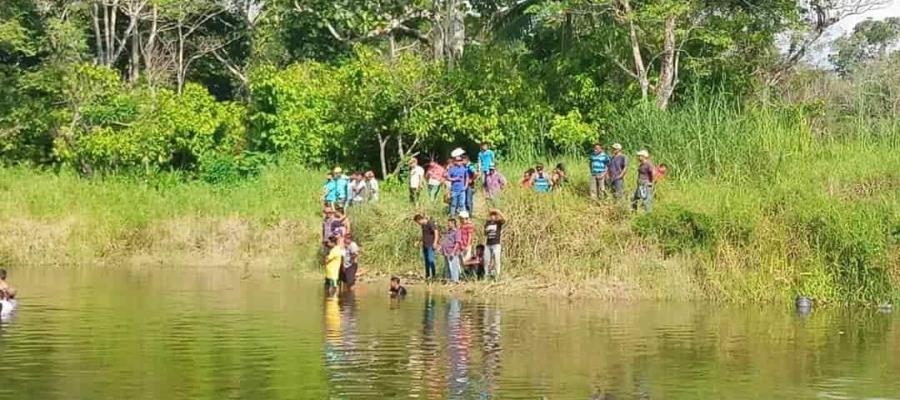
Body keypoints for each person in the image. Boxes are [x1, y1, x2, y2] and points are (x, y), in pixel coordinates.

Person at [414, 214, 440, 280]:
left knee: (431, 260)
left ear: (420, 219)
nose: (418, 224)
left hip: (431, 245)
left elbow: (436, 233)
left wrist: (435, 243)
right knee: (426, 261)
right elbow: (424, 235)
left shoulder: (430, 223)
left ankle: (434, 276)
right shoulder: (423, 225)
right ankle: (427, 275)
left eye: (418, 222)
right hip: (425, 245)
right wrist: (419, 241)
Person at [483, 209, 505, 280]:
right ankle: (486, 275)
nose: (493, 216)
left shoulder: (498, 223)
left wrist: (498, 211)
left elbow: (504, 219)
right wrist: (486, 231)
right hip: (488, 244)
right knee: (486, 260)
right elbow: (485, 233)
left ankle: (497, 275)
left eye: (494, 215)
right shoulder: (487, 223)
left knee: (497, 260)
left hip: (496, 244)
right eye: (491, 215)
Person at [440, 218, 462, 283]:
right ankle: (449, 279)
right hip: (446, 252)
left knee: (453, 266)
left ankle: (455, 280)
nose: (448, 224)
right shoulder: (448, 231)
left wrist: (453, 251)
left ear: (453, 224)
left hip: (452, 252)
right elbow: (445, 240)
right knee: (447, 267)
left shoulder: (457, 231)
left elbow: (457, 242)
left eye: (449, 223)